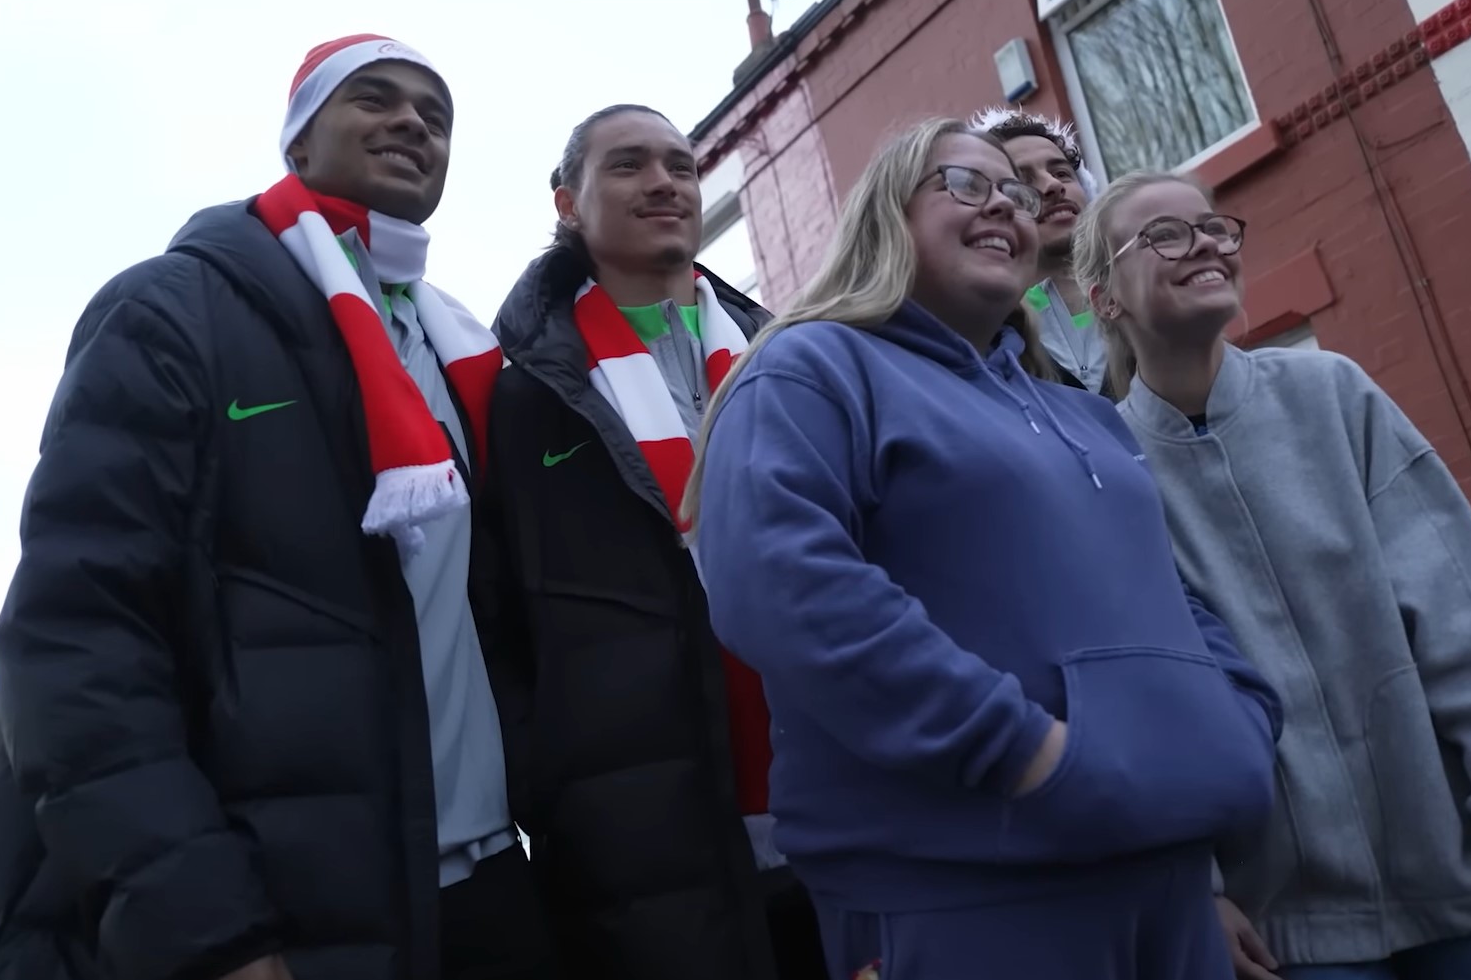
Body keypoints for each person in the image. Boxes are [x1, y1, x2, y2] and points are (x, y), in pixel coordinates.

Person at [0, 36, 552, 980]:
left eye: (436, 116)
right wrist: (203, 926)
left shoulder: (465, 357)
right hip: (267, 914)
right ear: (297, 144)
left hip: (470, 889)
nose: (412, 123)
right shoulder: (172, 311)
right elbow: (74, 643)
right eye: (374, 99)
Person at [682, 117, 1283, 980]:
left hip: (1165, 880)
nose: (1005, 201)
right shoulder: (808, 369)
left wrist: (1238, 722)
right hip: (963, 895)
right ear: (886, 216)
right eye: (964, 183)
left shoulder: (1079, 412)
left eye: (1019, 191)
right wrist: (1019, 751)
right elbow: (780, 585)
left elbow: (1172, 594)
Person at [1080, 169, 1471, 980]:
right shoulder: (1101, 468)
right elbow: (1134, 703)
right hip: (1285, 925)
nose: (1204, 244)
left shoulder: (1331, 393)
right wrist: (1195, 888)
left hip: (1464, 876)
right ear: (1104, 295)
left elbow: (1466, 614)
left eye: (1213, 228)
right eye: (1164, 234)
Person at [481, 104, 824, 980]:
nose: (666, 182)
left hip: (841, 794)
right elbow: (499, 619)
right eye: (629, 165)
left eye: (680, 163)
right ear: (566, 203)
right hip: (645, 842)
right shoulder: (521, 398)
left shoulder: (791, 357)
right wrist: (556, 789)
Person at [972, 108, 1112, 396]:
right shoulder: (981, 340)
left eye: (1061, 172)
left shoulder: (1146, 301)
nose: (1052, 185)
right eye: (1023, 181)